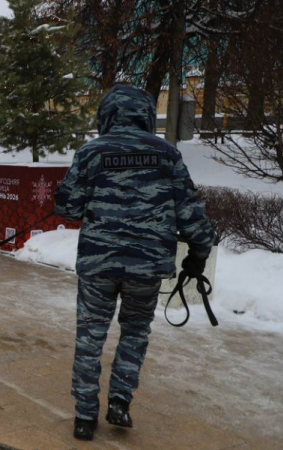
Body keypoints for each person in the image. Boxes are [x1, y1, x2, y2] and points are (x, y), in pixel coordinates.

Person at [54, 84, 216, 441]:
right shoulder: (167, 154)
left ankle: (84, 417)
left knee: (90, 336)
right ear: (144, 114)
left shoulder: (91, 152)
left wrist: (68, 195)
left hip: (98, 264)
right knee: (135, 331)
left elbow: (67, 207)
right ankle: (119, 403)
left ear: (107, 114)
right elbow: (190, 213)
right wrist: (198, 254)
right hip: (146, 266)